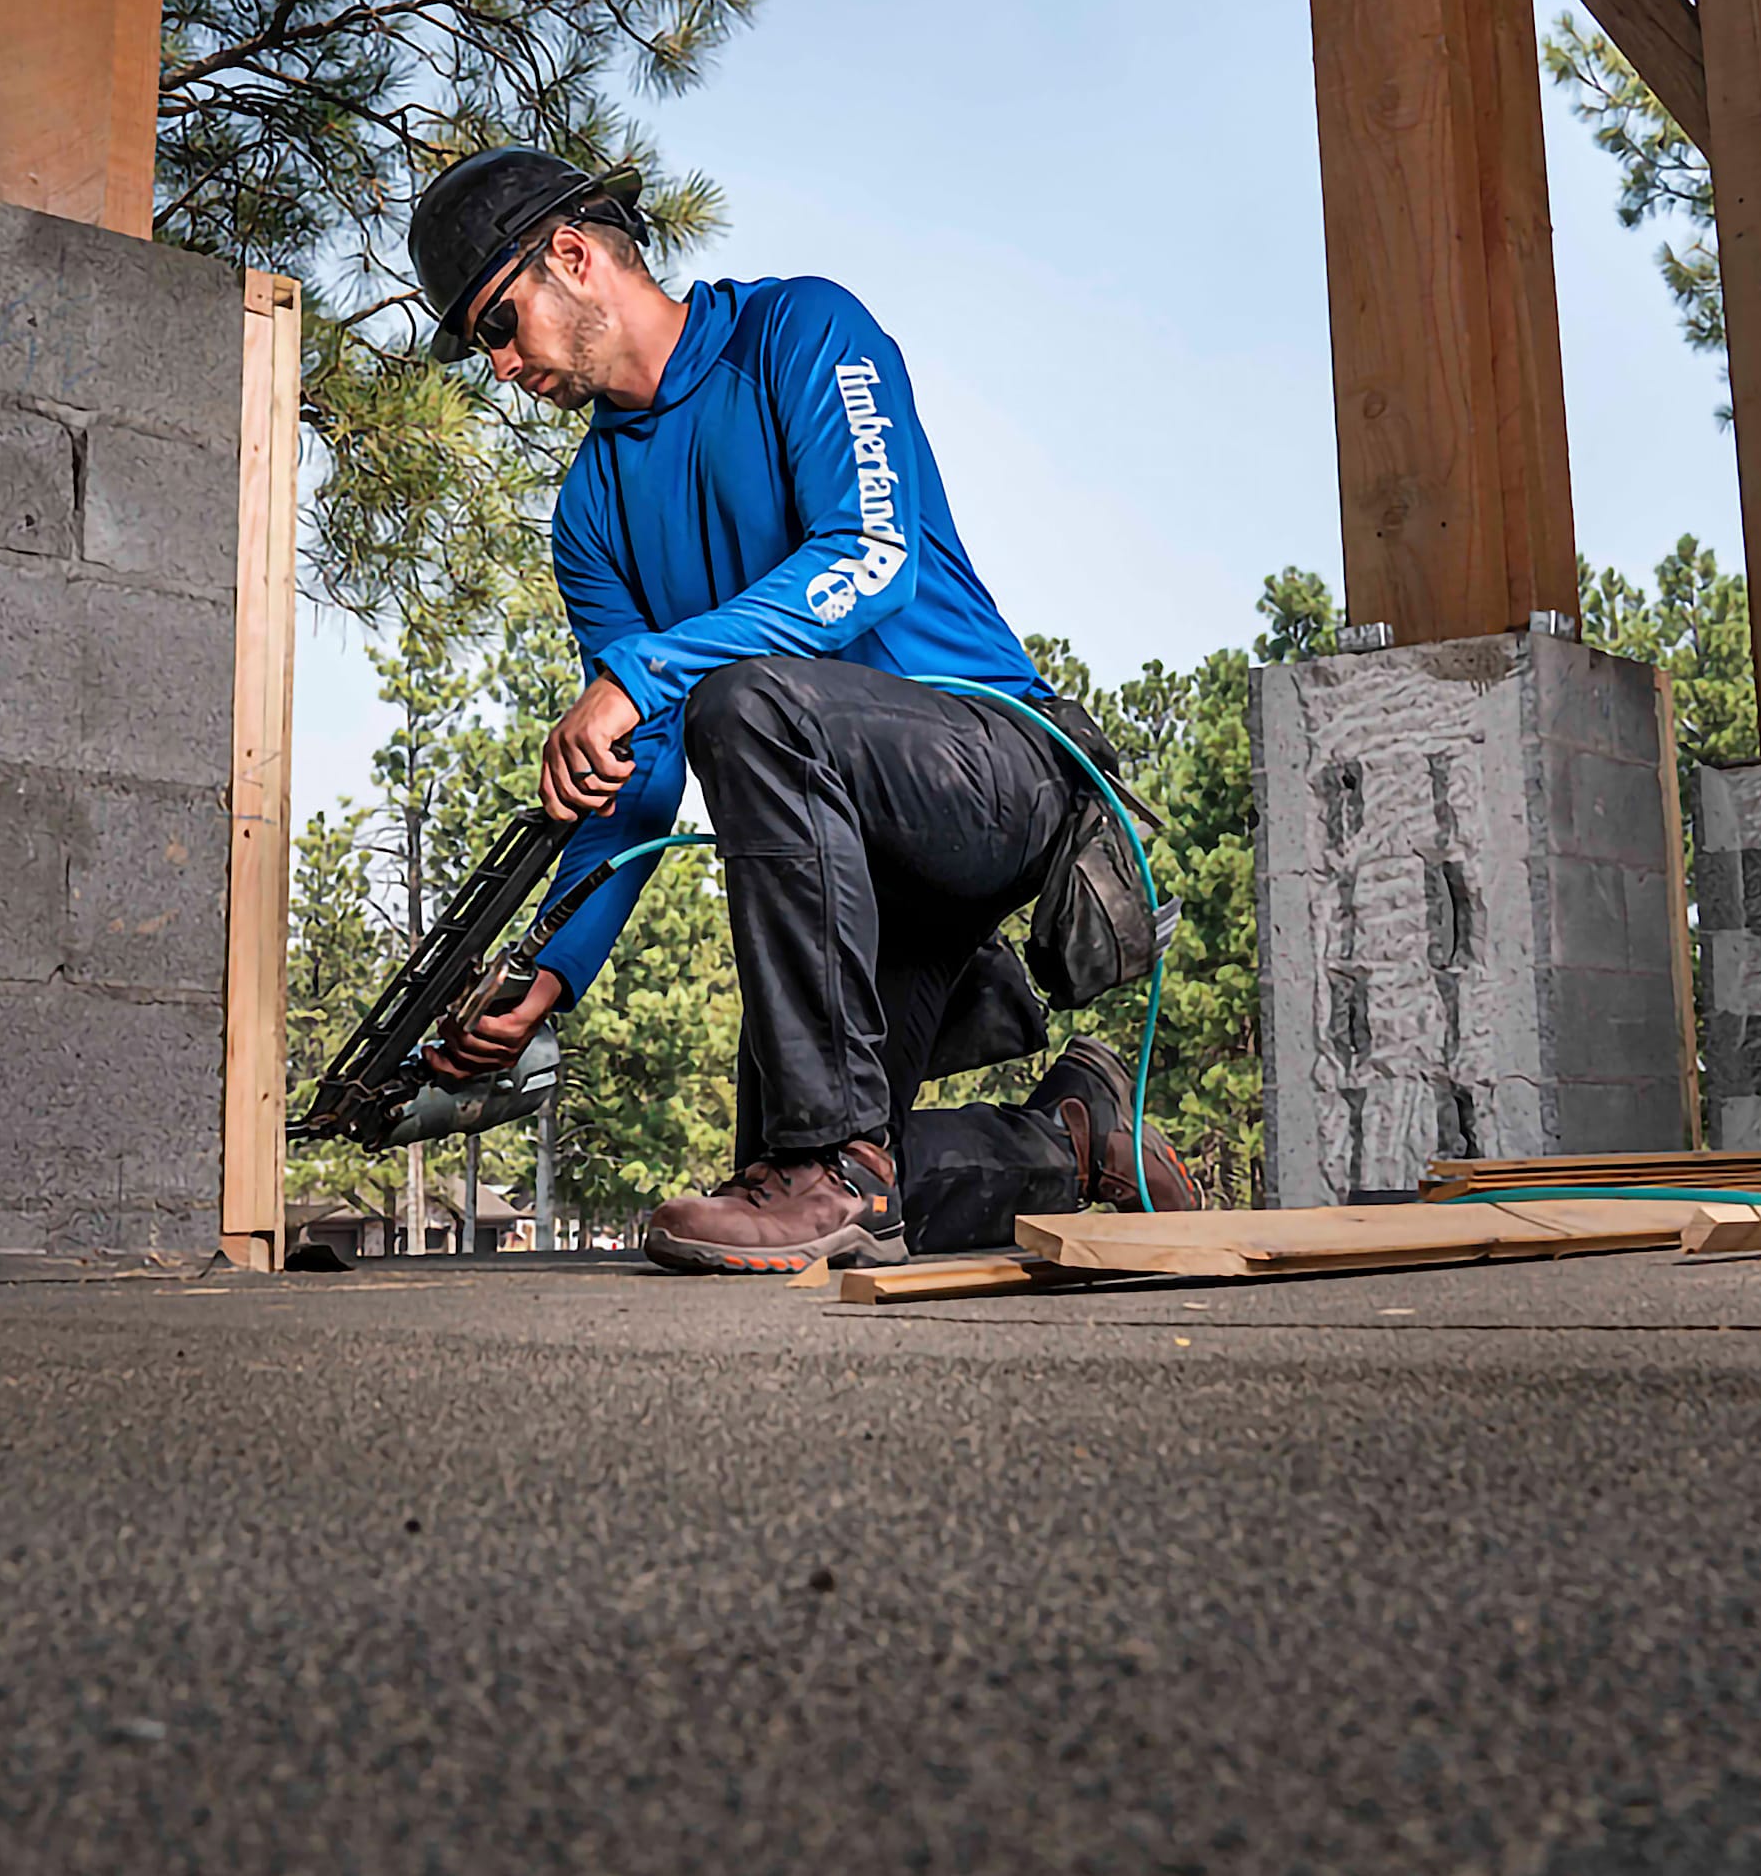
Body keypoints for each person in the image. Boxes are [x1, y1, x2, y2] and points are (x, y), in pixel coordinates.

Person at [409, 148, 1199, 1273]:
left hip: (992, 770)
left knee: (745, 703)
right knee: (777, 1168)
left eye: (498, 321)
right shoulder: (589, 509)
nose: (497, 365)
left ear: (573, 256)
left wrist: (646, 672)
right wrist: (552, 968)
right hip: (839, 861)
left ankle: (832, 1158)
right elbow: (640, 770)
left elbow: (868, 557)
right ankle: (1069, 1138)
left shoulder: (801, 332)